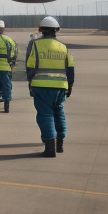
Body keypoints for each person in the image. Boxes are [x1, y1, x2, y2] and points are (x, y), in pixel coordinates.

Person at [26, 17, 75, 158]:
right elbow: (70, 67)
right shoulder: (63, 47)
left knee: (45, 115)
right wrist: (70, 85)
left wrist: (30, 83)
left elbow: (30, 67)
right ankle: (60, 144)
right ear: (56, 30)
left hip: (41, 86)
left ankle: (50, 147)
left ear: (40, 30)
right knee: (59, 112)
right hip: (60, 87)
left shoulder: (35, 45)